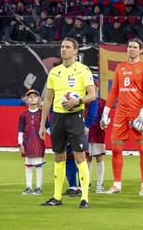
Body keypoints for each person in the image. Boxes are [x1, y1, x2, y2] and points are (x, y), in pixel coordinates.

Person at [39, 38, 96, 208]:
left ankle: (84, 198)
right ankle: (57, 197)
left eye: (68, 47)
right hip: (57, 117)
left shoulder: (83, 70)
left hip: (75, 117)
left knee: (80, 155)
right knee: (58, 156)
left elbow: (92, 95)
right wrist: (43, 124)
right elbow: (48, 99)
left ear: (75, 51)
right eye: (62, 47)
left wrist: (77, 102)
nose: (64, 50)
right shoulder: (54, 72)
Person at [101, 38, 143, 196]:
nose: (131, 49)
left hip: (137, 113)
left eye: (135, 47)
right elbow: (114, 91)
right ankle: (116, 184)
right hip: (120, 113)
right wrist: (106, 111)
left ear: (141, 50)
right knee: (116, 148)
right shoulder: (120, 67)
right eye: (129, 46)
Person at [18, 89, 45, 195]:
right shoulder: (23, 115)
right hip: (27, 143)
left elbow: (47, 127)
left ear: (39, 99)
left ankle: (39, 187)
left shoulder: (42, 113)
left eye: (35, 96)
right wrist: (20, 143)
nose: (32, 98)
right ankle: (28, 186)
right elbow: (20, 130)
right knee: (28, 164)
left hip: (38, 142)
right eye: (30, 97)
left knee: (38, 164)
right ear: (27, 99)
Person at [87, 80, 107, 193]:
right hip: (87, 132)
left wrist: (105, 122)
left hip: (98, 132)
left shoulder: (102, 102)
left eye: (93, 86)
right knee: (87, 158)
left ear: (97, 88)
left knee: (99, 157)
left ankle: (99, 184)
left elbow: (106, 117)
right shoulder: (85, 102)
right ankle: (87, 182)